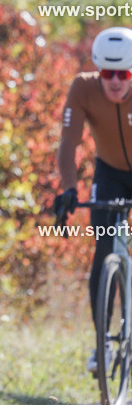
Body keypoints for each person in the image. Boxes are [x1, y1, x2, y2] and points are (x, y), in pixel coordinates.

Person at [54, 25, 132, 375]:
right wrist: (69, 188)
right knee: (104, 250)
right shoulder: (83, 88)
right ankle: (101, 343)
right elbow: (68, 143)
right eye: (107, 73)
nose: (115, 82)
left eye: (124, 73)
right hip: (110, 173)